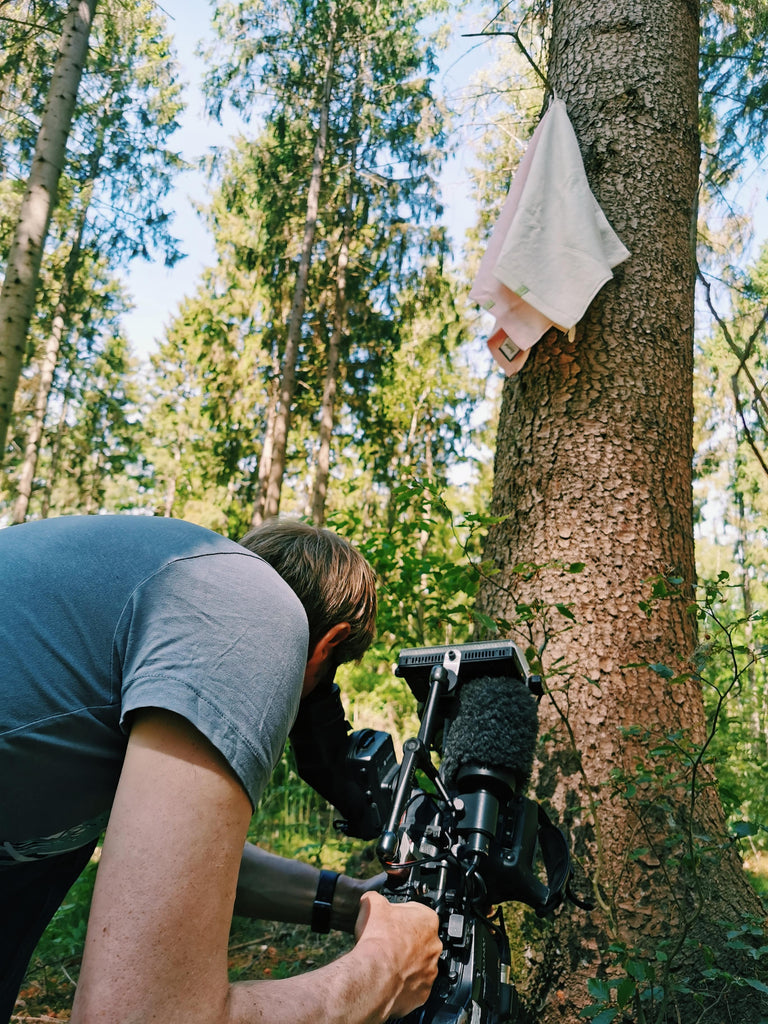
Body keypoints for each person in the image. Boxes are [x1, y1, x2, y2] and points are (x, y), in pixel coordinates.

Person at [0, 513, 441, 1024]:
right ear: (327, 643)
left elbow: (179, 862)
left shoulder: (168, 594)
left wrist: (350, 902)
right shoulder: (252, 609)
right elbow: (145, 1016)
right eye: (327, 676)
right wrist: (387, 969)